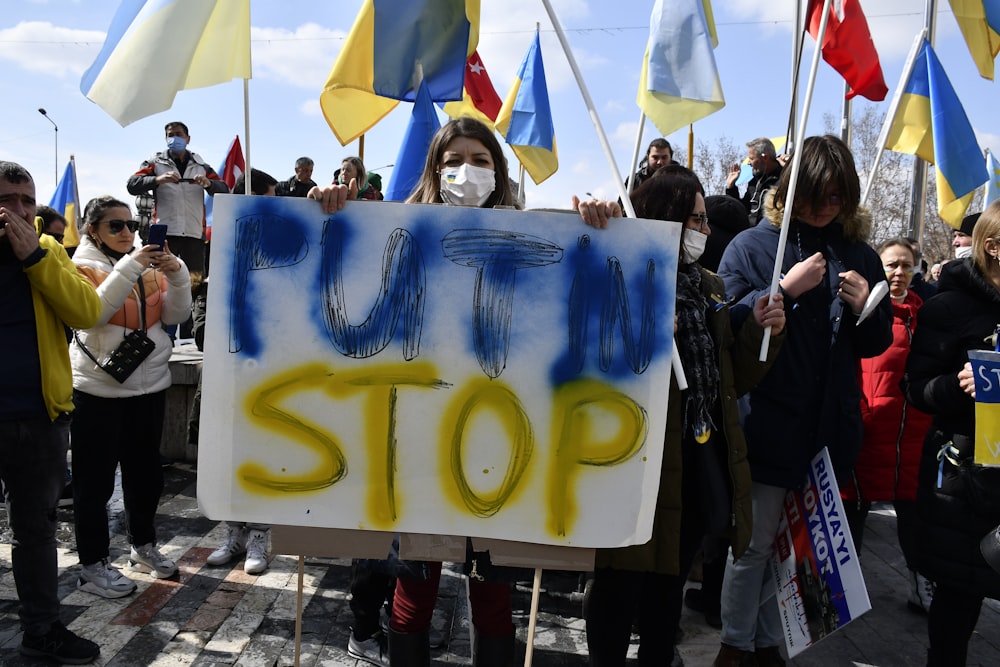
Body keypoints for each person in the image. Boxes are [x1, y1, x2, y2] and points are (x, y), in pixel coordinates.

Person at [308, 116, 621, 667]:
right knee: (413, 589)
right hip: (417, 447)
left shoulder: (535, 240)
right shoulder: (397, 232)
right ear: (433, 169)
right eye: (453, 161)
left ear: (498, 171)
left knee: (493, 591)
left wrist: (600, 224)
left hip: (497, 444)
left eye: (480, 160)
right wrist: (329, 208)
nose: (466, 171)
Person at [583, 165, 786, 667]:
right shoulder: (620, 272)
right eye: (694, 220)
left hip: (695, 459)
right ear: (664, 219)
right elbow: (590, 362)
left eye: (703, 220)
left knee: (667, 587)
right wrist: (641, 331)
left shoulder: (710, 285)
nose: (705, 230)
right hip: (634, 461)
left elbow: (731, 378)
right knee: (617, 585)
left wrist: (765, 333)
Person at [714, 135, 893, 667]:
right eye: (815, 195)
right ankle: (734, 645)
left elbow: (874, 344)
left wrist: (869, 309)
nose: (824, 208)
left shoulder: (859, 255)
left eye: (837, 197)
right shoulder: (753, 245)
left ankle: (768, 644)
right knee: (752, 546)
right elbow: (725, 319)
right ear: (791, 191)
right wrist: (783, 292)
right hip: (767, 422)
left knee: (791, 551)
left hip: (826, 433)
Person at [0, 161, 102, 663]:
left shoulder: (47, 251)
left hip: (38, 420)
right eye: (7, 199)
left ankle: (42, 630)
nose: (19, 211)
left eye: (27, 199)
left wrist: (36, 261)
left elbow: (87, 311)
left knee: (36, 530)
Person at [70, 195, 191, 598]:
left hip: (149, 388)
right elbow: (93, 314)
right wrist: (132, 264)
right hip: (98, 392)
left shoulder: (147, 264)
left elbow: (174, 316)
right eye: (115, 226)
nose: (127, 233)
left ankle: (143, 546)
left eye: (131, 226)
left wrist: (176, 273)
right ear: (93, 230)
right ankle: (92, 565)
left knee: (146, 478)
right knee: (94, 483)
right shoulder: (80, 265)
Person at [902, 199, 1000, 666]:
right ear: (993, 247)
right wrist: (960, 387)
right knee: (960, 597)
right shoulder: (949, 307)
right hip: (967, 477)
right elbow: (917, 389)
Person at [843, 238, 934, 612]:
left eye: (906, 266)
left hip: (909, 434)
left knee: (915, 518)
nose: (898, 273)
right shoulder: (862, 312)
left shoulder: (926, 314)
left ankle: (921, 584)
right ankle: (843, 588)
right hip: (866, 428)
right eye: (891, 265)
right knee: (853, 514)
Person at [203, 168, 277, 576]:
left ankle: (261, 535)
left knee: (264, 456)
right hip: (233, 377)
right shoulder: (226, 251)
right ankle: (233, 531)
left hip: (273, 381)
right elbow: (202, 320)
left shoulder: (289, 254)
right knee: (231, 455)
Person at [126, 121, 228, 279]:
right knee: (159, 278)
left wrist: (209, 183)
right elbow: (132, 185)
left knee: (195, 280)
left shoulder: (202, 166)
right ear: (166, 139)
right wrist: (157, 179)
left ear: (188, 139)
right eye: (170, 135)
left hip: (194, 233)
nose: (174, 138)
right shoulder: (155, 163)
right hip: (164, 231)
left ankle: (192, 304)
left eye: (178, 134)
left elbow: (224, 190)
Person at [725, 137, 785, 225]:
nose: (749, 163)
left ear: (765, 157)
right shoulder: (755, 181)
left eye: (752, 158)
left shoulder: (783, 178)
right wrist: (731, 188)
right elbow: (742, 209)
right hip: (751, 231)